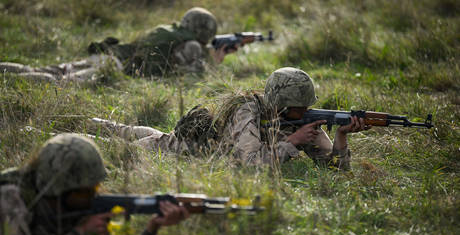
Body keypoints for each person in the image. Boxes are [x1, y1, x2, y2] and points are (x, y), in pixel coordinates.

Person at [89, 67, 369, 169]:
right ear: (281, 105)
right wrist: (292, 142)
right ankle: (87, 129)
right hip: (181, 150)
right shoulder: (248, 109)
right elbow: (249, 163)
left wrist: (341, 137)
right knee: (121, 143)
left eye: (307, 106)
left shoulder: (301, 120)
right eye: (299, 107)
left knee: (141, 132)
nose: (306, 112)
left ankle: (99, 126)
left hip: (174, 141)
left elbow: (335, 168)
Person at [0, 134, 189, 235]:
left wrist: (152, 229)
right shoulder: (9, 200)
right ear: (57, 189)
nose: (93, 197)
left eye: (95, 188)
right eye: (85, 192)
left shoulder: (75, 209)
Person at [0, 7, 236, 83]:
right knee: (60, 82)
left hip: (107, 56)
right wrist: (214, 62)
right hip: (115, 67)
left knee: (51, 70)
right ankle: (14, 79)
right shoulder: (193, 46)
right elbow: (190, 79)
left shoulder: (167, 29)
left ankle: (8, 71)